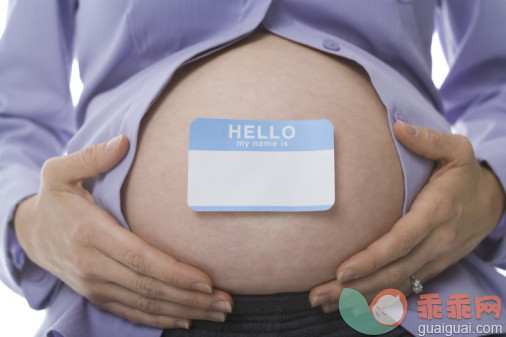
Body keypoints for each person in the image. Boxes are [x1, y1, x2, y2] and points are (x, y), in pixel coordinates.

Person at [1, 1, 505, 336]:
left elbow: (498, 83)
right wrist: (26, 222)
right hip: (128, 313)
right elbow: (13, 114)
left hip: (411, 301)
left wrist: (493, 188)